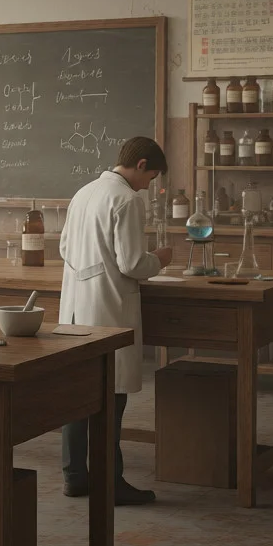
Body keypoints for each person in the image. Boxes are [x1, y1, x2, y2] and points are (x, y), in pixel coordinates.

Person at [58, 136, 173, 506]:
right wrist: (160, 258)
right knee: (111, 399)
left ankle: (75, 477)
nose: (149, 185)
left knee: (76, 395)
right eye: (151, 177)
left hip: (76, 307)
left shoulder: (84, 192)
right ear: (140, 165)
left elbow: (63, 248)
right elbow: (132, 264)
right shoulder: (127, 199)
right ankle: (111, 482)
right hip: (108, 311)